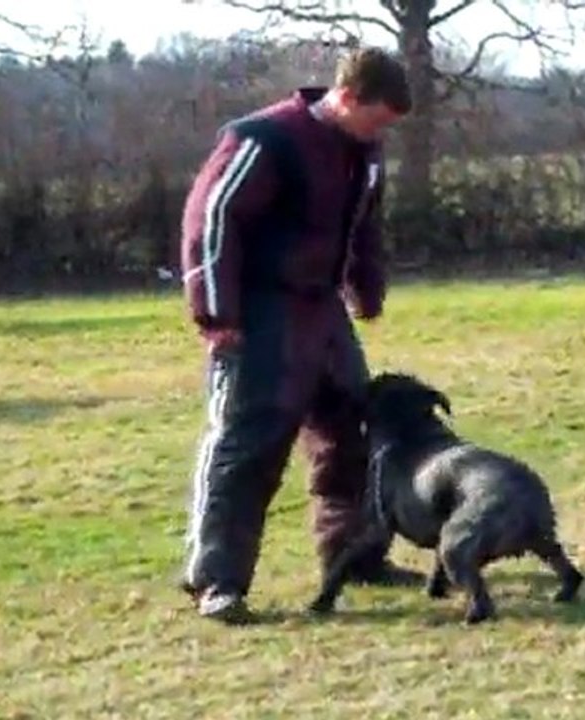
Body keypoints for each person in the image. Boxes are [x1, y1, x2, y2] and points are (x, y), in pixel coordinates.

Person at [179, 47, 421, 623]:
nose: (383, 132)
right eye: (379, 118)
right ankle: (218, 582)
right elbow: (210, 219)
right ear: (347, 97)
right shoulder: (265, 140)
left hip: (322, 313)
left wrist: (366, 287)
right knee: (247, 446)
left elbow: (365, 224)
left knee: (354, 433)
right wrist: (216, 311)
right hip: (258, 314)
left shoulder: (365, 152)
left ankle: (356, 557)